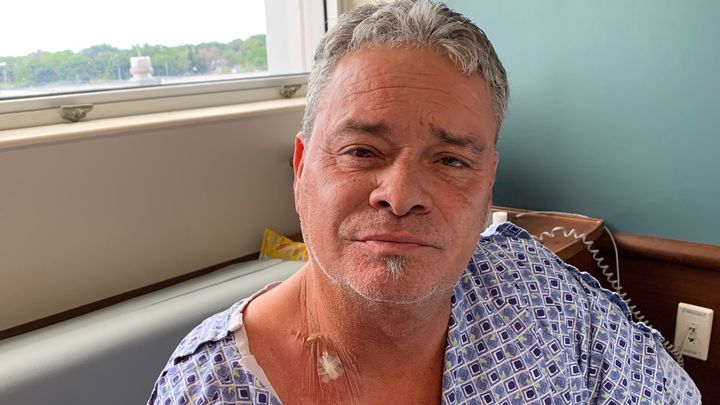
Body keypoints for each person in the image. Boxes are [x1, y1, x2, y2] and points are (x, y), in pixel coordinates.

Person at [148, 1, 700, 404]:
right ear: (300, 170)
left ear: (488, 187)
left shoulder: (541, 294)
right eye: (362, 151)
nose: (401, 195)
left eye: (451, 161)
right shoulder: (210, 388)